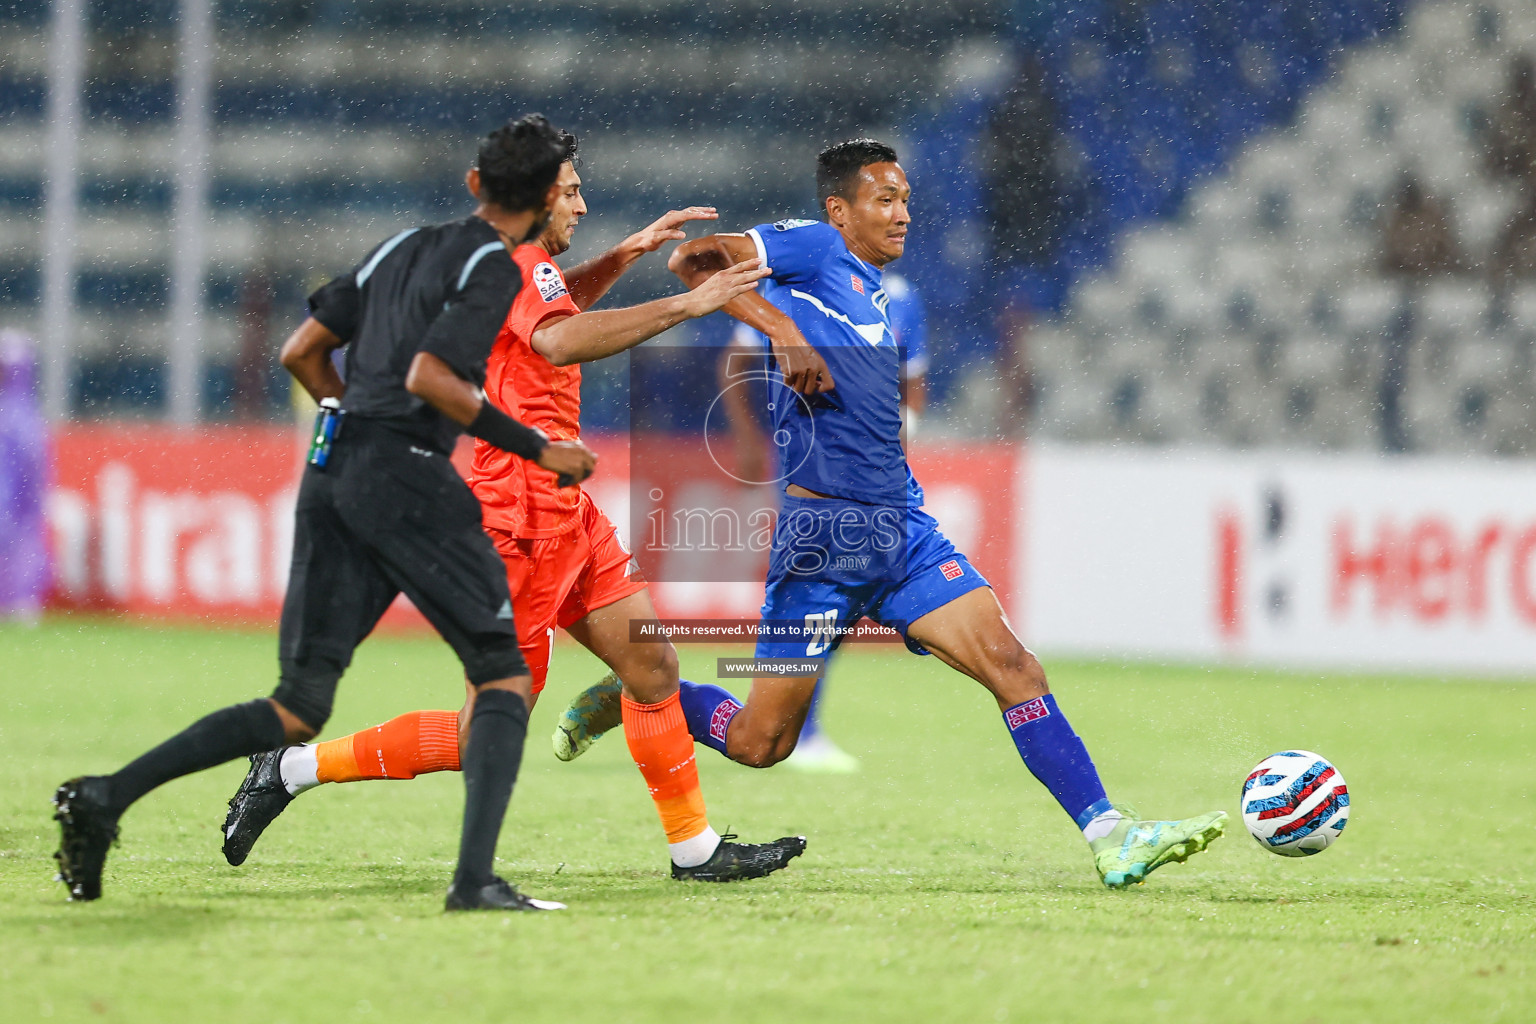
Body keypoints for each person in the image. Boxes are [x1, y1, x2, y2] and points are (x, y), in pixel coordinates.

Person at [556, 139, 1227, 889]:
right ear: (839, 211)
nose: (901, 213)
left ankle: (1112, 835)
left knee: (1013, 667)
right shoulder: (810, 247)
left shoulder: (879, 289)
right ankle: (646, 694)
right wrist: (779, 330)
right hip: (822, 541)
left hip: (901, 529)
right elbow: (694, 262)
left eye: (905, 198)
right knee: (759, 743)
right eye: (883, 199)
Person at [219, 130, 806, 883]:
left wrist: (621, 258)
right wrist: (689, 303)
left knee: (653, 663)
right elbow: (557, 344)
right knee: (481, 735)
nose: (582, 204)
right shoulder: (514, 262)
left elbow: (542, 324)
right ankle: (292, 767)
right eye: (569, 192)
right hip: (516, 522)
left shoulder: (525, 266)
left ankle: (694, 850)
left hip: (568, 514)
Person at [53, 114, 598, 911]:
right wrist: (539, 449)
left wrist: (349, 419)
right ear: (546, 198)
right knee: (504, 677)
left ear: (475, 184)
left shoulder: (400, 246)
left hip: (331, 468)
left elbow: (300, 352)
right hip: (406, 475)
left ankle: (106, 795)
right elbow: (432, 380)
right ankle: (474, 883)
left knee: (298, 704)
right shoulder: (494, 267)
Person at [710, 271, 929, 772]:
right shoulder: (793, 286)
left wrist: (898, 438)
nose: (898, 218)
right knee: (814, 595)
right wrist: (746, 436)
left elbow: (912, 385)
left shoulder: (901, 296)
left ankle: (792, 725)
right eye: (885, 201)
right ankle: (791, 728)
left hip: (873, 485)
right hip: (808, 473)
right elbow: (736, 364)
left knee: (837, 602)